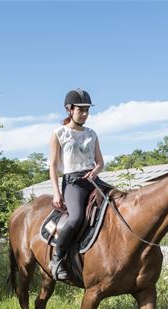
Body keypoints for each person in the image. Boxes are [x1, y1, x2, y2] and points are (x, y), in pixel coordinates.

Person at [48, 88, 106, 280]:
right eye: (81, 110)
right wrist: (57, 193)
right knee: (76, 218)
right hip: (73, 183)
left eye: (87, 110)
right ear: (69, 109)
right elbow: (54, 166)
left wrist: (95, 171)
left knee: (122, 202)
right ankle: (57, 258)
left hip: (93, 180)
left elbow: (100, 162)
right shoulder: (59, 133)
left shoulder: (92, 133)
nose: (85, 114)